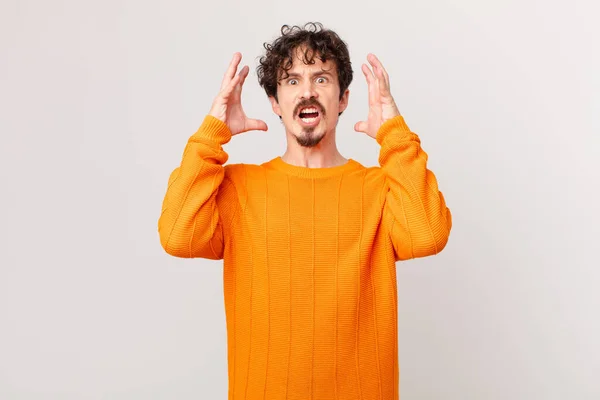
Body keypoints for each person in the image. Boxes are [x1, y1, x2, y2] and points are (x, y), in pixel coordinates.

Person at [158, 22, 452, 400]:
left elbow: (427, 235)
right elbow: (177, 236)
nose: (308, 92)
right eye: (292, 81)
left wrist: (393, 134)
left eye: (322, 79)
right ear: (276, 103)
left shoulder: (381, 188)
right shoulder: (238, 188)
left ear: (343, 99)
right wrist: (213, 131)